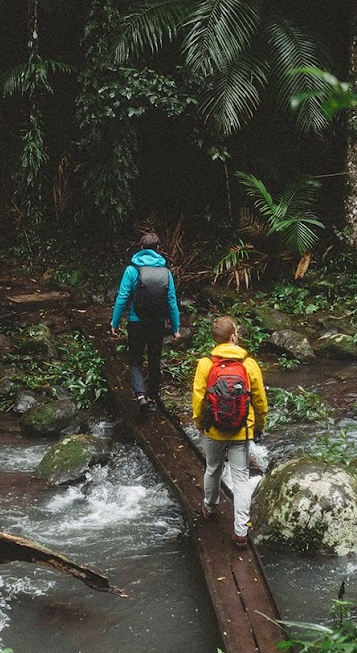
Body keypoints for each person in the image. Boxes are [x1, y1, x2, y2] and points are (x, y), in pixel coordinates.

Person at [191, 316, 269, 548]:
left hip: (214, 430)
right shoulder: (248, 364)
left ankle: (210, 507)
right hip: (241, 430)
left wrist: (199, 424)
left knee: (213, 468)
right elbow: (260, 400)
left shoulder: (205, 364)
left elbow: (198, 399)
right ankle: (240, 532)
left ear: (215, 339)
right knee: (241, 479)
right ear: (233, 336)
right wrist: (259, 424)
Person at [109, 233, 183, 417]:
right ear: (158, 249)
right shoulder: (166, 273)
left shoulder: (132, 270)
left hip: (136, 322)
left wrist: (115, 322)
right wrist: (175, 328)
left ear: (141, 248)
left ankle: (140, 395)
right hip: (157, 324)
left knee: (135, 360)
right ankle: (152, 399)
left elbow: (122, 298)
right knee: (154, 359)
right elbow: (172, 302)